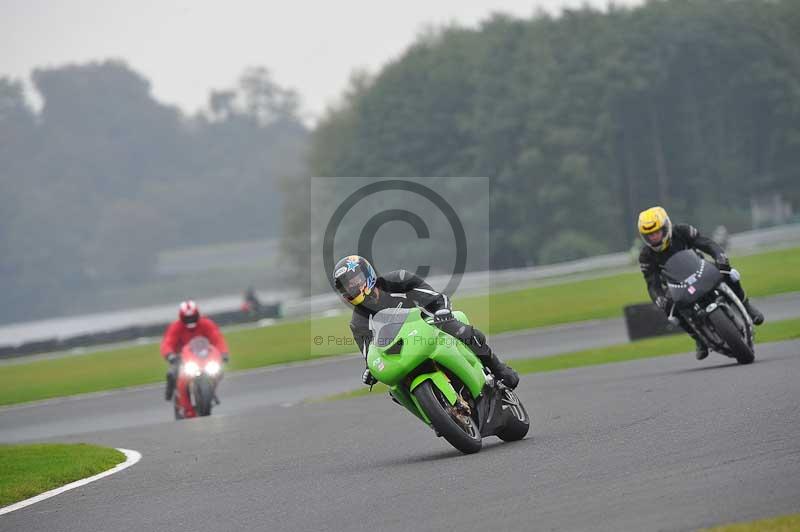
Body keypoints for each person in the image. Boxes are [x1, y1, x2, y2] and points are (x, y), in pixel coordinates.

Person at [332, 255, 519, 388]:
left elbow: (435, 298)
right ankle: (434, 415)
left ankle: (499, 368)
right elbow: (371, 355)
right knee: (394, 388)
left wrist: (442, 310)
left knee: (462, 331)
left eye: (355, 280)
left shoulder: (398, 280)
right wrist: (371, 370)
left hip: (430, 325)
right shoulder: (358, 323)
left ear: (367, 274)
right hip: (403, 349)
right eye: (347, 286)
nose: (353, 287)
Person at [637, 207, 764, 360]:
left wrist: (720, 257)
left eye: (657, 232)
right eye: (650, 235)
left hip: (701, 269)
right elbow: (652, 283)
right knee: (670, 310)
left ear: (666, 227)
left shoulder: (682, 231)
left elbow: (707, 243)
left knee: (731, 273)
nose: (654, 237)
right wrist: (659, 298)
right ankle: (698, 339)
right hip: (677, 285)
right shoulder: (646, 256)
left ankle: (747, 306)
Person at [160, 300, 230, 400]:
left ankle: (210, 390)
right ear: (181, 317)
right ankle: (172, 394)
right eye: (187, 318)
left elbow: (218, 339)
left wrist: (224, 353)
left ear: (197, 314)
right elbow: (167, 342)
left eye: (192, 317)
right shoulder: (175, 327)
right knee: (173, 373)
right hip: (181, 358)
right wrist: (170, 355)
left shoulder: (206, 324)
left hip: (203, 355)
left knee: (219, 370)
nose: (190, 320)